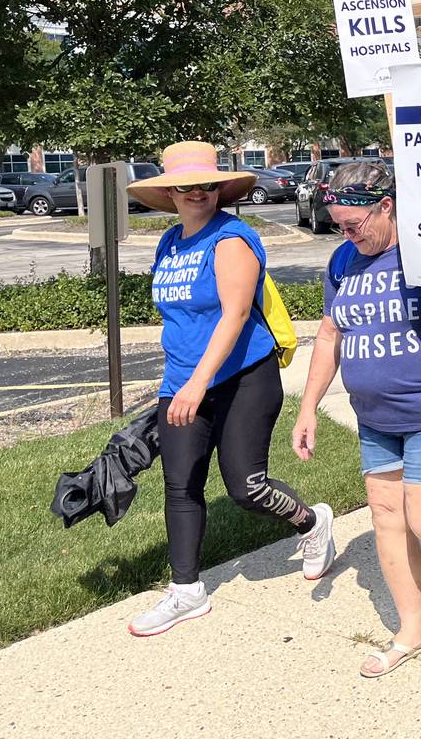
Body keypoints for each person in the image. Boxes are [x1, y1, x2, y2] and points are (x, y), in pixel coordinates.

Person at [291, 162, 421, 678]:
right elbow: (330, 336)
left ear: (386, 206)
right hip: (374, 417)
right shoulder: (344, 262)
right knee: (387, 518)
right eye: (338, 225)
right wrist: (308, 406)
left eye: (353, 224)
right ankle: (415, 628)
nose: (345, 234)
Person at [124, 142, 335, 637]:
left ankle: (312, 523)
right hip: (182, 381)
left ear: (220, 189)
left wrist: (199, 383)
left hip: (244, 378)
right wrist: (183, 379)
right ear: (170, 194)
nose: (197, 192)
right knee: (181, 484)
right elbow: (181, 317)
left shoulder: (233, 238)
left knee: (246, 488)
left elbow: (236, 315)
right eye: (185, 185)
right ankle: (187, 592)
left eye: (207, 184)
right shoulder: (170, 242)